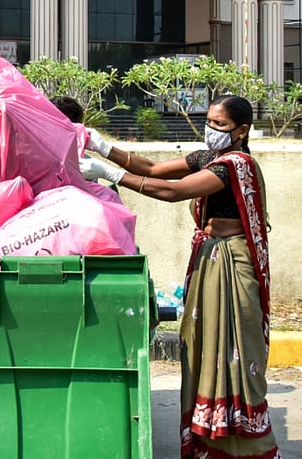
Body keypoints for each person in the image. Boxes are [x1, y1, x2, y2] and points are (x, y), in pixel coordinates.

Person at [80, 95, 279, 459]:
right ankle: (210, 439)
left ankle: (245, 444)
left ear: (242, 130)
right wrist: (103, 146)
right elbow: (154, 169)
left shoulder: (235, 165)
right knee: (204, 345)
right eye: (210, 121)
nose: (212, 129)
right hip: (211, 258)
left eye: (220, 125)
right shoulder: (209, 159)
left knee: (233, 349)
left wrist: (112, 176)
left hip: (233, 263)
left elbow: (172, 192)